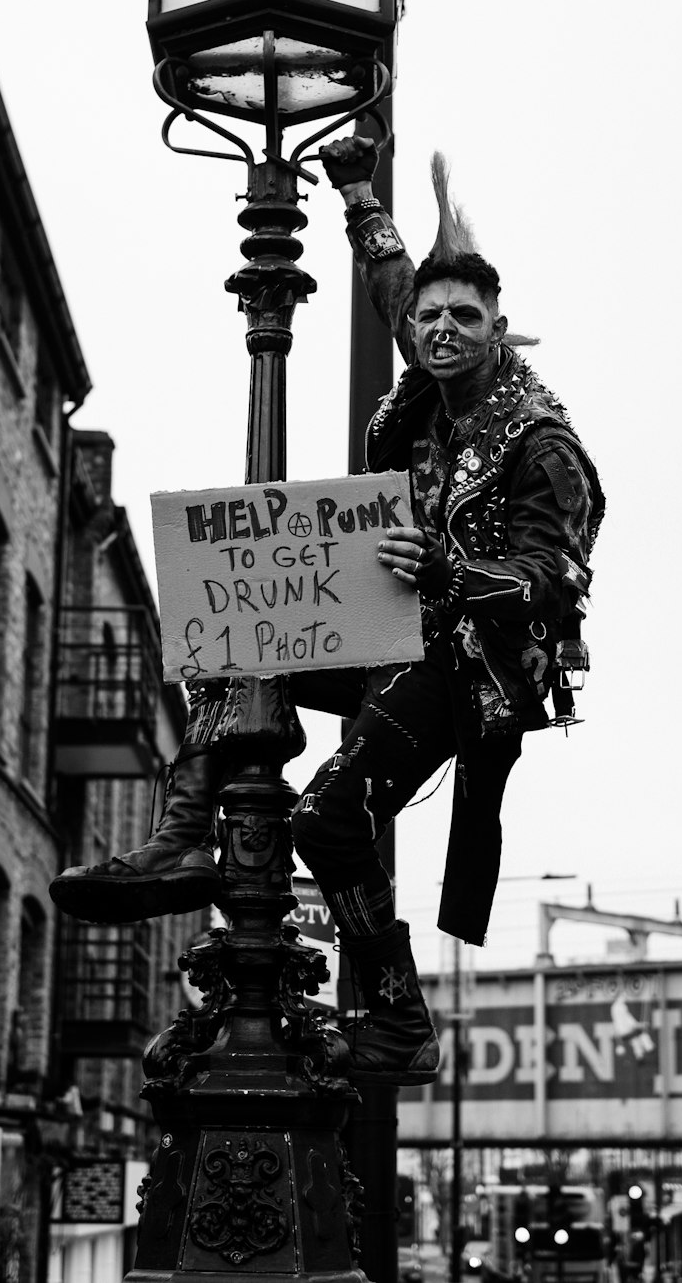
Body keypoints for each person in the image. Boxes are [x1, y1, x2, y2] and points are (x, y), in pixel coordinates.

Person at [50, 136, 604, 1085]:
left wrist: (450, 572)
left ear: (498, 324)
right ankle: (184, 840)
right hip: (394, 626)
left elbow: (557, 581)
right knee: (235, 620)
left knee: (328, 817)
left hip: (473, 665)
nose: (441, 329)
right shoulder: (430, 371)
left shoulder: (541, 441)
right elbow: (394, 282)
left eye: (465, 317)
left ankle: (398, 1019)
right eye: (433, 317)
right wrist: (356, 189)